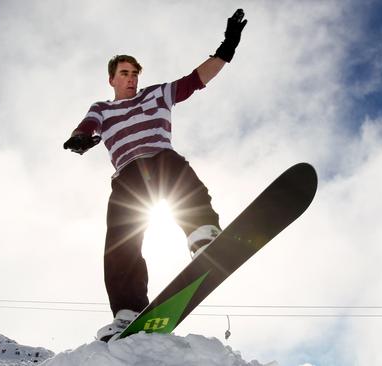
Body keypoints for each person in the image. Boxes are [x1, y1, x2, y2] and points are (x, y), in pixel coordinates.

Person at [64, 9, 247, 341]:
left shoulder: (156, 93)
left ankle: (202, 236)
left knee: (183, 183)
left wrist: (226, 49)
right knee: (120, 241)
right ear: (112, 79)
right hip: (127, 178)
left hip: (161, 160)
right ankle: (128, 311)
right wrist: (81, 137)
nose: (132, 78)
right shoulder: (102, 109)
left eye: (135, 73)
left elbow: (196, 79)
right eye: (125, 73)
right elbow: (89, 124)